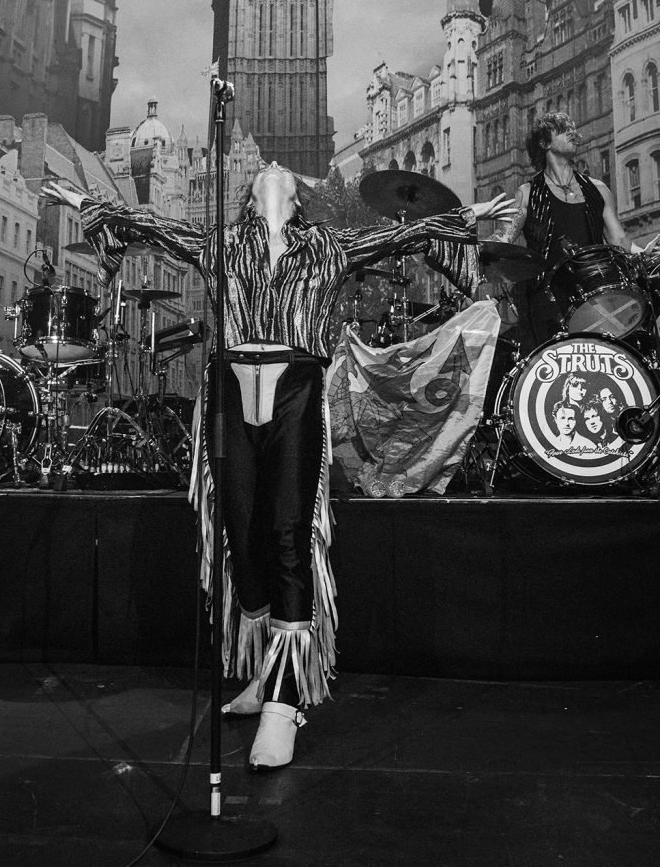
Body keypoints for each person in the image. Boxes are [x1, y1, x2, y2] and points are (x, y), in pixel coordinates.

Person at [43, 166, 515, 769]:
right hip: (229, 388)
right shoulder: (219, 243)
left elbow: (401, 234)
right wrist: (86, 199)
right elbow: (148, 224)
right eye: (262, 170)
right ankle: (265, 669)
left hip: (295, 388)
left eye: (282, 172)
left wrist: (467, 216)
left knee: (288, 533)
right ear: (250, 195)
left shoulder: (328, 244)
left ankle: (284, 701)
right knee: (241, 533)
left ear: (295, 197)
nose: (272, 169)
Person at [495, 111, 656, 346]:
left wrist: (644, 253)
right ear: (544, 142)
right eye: (563, 129)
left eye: (573, 127)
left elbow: (619, 240)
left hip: (595, 296)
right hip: (547, 302)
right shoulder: (527, 194)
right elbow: (502, 241)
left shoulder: (598, 189)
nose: (572, 132)